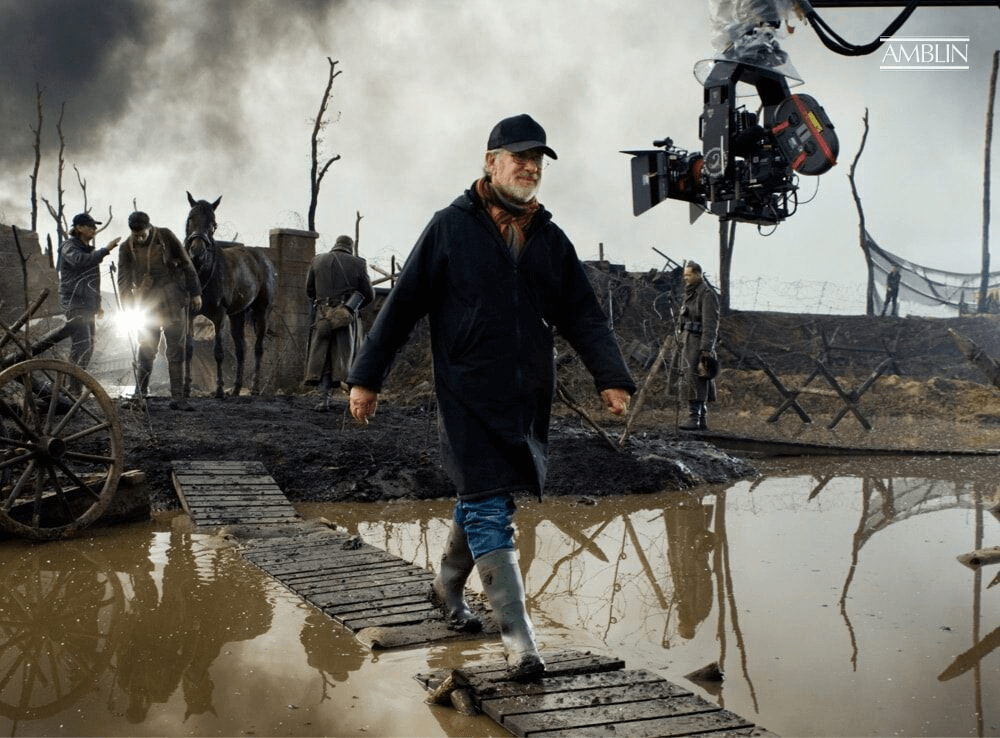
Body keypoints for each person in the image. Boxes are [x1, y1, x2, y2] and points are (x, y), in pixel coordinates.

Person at [346, 114, 635, 679]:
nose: (530, 168)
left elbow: (581, 312)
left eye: (538, 161)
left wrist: (611, 375)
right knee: (486, 503)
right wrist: (367, 377)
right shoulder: (449, 228)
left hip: (527, 396)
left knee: (488, 498)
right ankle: (519, 639)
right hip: (466, 392)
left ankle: (445, 591)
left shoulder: (549, 239)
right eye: (519, 157)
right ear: (490, 160)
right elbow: (402, 306)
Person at [116, 211, 202, 409]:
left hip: (173, 301)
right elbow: (123, 280)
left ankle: (178, 398)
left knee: (175, 350)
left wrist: (196, 292)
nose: (138, 238)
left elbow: (187, 263)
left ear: (149, 227)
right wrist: (127, 306)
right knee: (145, 349)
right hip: (147, 306)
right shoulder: (126, 248)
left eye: (142, 234)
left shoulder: (166, 236)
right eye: (135, 235)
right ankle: (139, 396)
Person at [304, 235, 374, 411]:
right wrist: (351, 309)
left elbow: (309, 290)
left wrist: (323, 303)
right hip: (345, 316)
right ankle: (354, 402)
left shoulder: (317, 260)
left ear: (335, 245)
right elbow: (369, 294)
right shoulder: (358, 263)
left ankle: (324, 399)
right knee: (347, 356)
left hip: (322, 316)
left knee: (324, 356)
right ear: (349, 247)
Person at [58, 212, 121, 372]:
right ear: (79, 228)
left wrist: (97, 305)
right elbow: (80, 261)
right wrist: (106, 250)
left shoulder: (88, 250)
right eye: (90, 226)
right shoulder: (69, 246)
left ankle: (73, 387)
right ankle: (74, 390)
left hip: (87, 306)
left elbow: (93, 283)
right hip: (75, 303)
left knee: (89, 347)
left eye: (95, 226)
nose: (94, 229)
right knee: (82, 346)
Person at [676, 261, 720, 431]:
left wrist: (706, 348)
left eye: (688, 275)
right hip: (688, 341)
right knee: (690, 378)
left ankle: (695, 418)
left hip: (699, 343)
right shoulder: (690, 293)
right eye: (685, 275)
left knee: (697, 378)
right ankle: (700, 418)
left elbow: (711, 324)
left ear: (698, 274)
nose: (686, 278)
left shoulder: (706, 294)